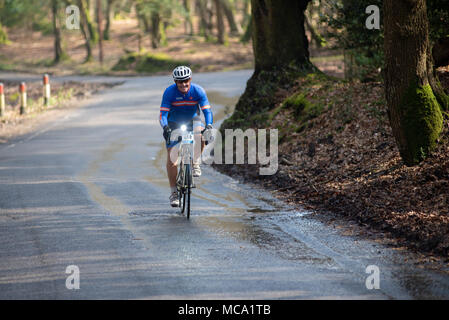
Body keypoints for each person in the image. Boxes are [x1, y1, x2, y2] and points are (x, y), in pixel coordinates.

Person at [159, 66, 213, 207]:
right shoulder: (169, 92)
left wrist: (209, 126)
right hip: (174, 123)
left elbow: (207, 111)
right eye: (180, 81)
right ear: (175, 82)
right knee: (172, 160)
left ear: (190, 79)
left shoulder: (198, 91)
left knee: (201, 134)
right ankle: (173, 193)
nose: (183, 84)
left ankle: (195, 162)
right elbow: (163, 114)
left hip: (193, 121)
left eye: (186, 81)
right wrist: (165, 127)